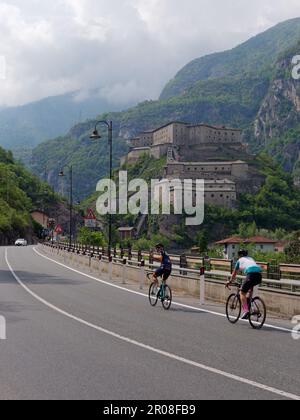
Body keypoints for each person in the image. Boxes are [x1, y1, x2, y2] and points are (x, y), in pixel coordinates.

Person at [227, 249, 262, 320]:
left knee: (242, 293)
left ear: (240, 255)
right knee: (249, 290)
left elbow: (234, 273)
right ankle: (251, 307)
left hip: (251, 275)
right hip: (259, 275)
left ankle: (246, 311)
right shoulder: (251, 258)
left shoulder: (239, 260)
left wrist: (230, 281)